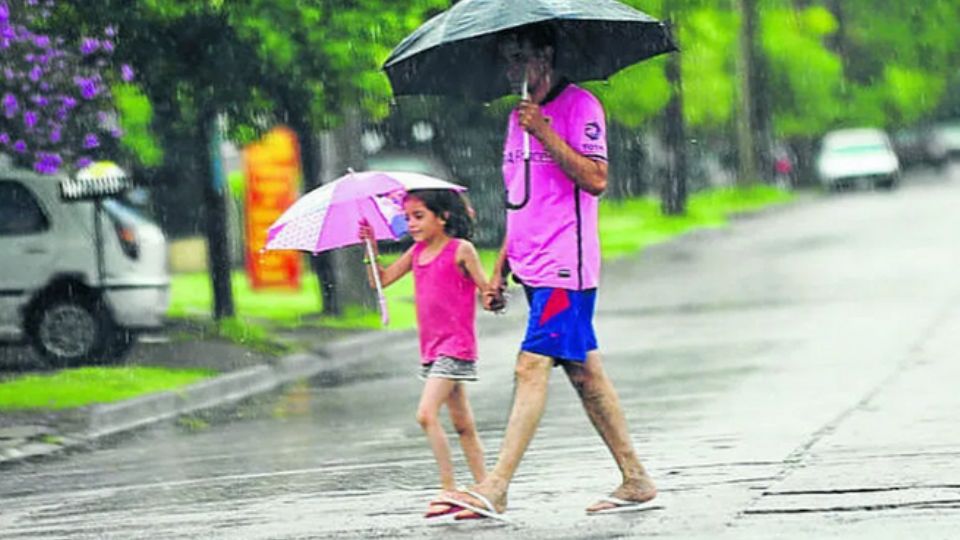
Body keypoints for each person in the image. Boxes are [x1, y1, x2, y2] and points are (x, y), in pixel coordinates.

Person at [443, 23, 657, 519]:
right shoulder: (514, 119)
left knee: (530, 365)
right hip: (531, 266)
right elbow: (518, 201)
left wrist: (545, 131)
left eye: (519, 55)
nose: (511, 67)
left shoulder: (580, 106)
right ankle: (636, 477)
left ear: (546, 54)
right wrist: (498, 270)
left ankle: (496, 486)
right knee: (585, 373)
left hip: (567, 268)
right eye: (505, 58)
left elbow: (596, 179)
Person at [358, 189, 491, 519]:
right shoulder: (416, 252)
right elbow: (382, 281)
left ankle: (449, 489)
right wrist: (371, 249)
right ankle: (486, 491)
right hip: (431, 349)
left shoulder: (461, 250)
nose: (411, 224)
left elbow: (485, 290)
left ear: (442, 216)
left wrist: (493, 297)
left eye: (419, 216)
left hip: (455, 347)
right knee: (462, 425)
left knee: (426, 414)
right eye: (407, 218)